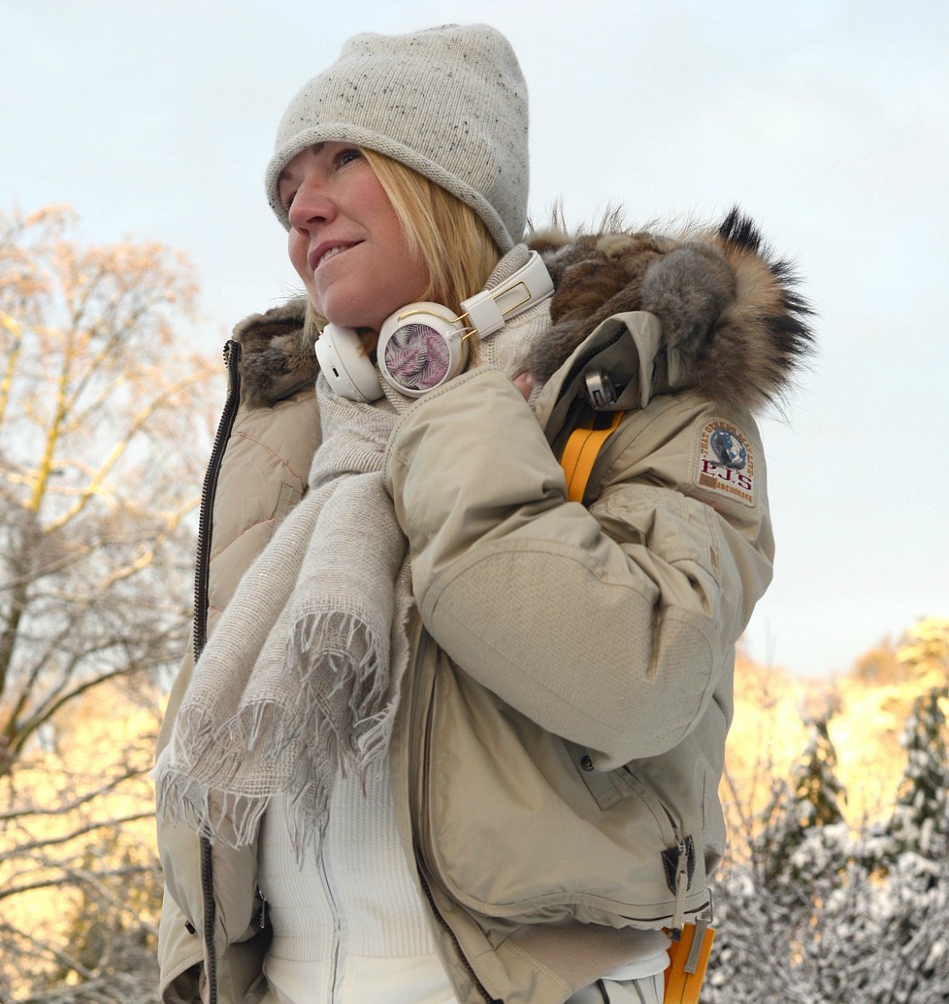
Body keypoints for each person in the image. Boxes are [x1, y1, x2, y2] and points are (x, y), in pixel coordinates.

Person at [153, 23, 813, 1004]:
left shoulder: (643, 391)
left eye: (342, 156)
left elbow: (637, 677)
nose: (303, 206)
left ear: (449, 178)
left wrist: (448, 404)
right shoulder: (291, 432)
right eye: (287, 186)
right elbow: (209, 758)